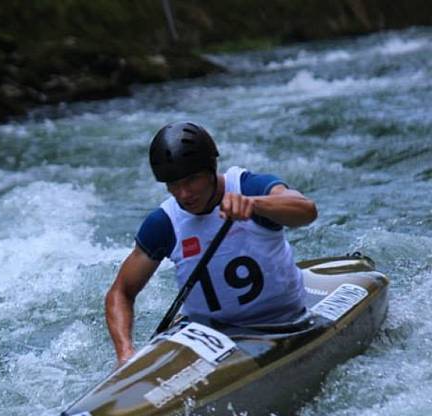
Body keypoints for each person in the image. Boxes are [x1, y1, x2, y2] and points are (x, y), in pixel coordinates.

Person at [105, 121, 318, 366]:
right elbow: (121, 292)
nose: (184, 193)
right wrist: (125, 353)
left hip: (283, 322)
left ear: (211, 168)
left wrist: (256, 205)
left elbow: (307, 210)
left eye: (192, 179)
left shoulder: (248, 187)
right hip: (208, 338)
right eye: (174, 184)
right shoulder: (165, 223)